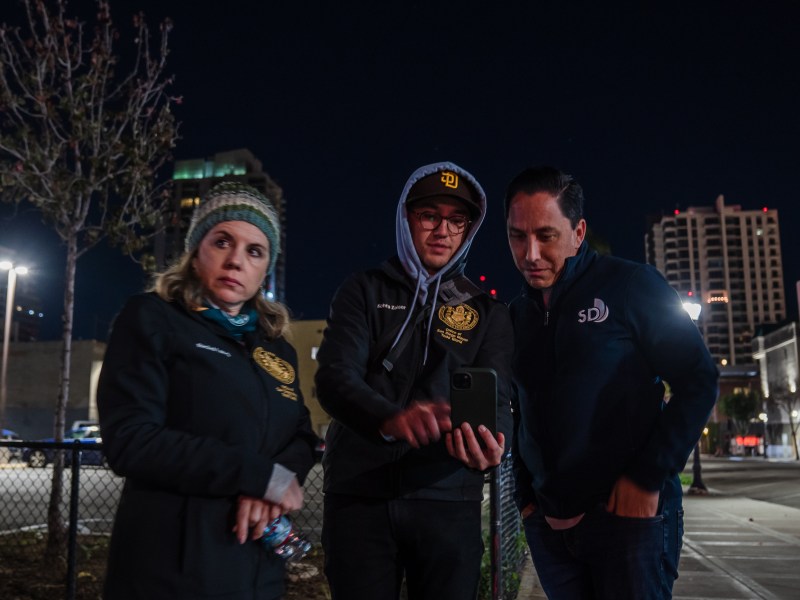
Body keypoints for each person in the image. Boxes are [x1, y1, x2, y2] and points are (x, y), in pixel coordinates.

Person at [505, 166, 719, 599]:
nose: (530, 253)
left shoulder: (630, 286)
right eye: (516, 235)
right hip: (549, 529)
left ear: (578, 231)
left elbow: (698, 378)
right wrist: (525, 494)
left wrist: (647, 477)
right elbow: (519, 408)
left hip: (629, 522)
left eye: (546, 235)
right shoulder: (516, 316)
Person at [97, 182, 318, 600]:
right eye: (222, 242)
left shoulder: (275, 345)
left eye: (255, 251)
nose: (236, 260)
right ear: (196, 251)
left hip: (257, 568)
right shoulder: (152, 319)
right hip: (172, 568)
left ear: (266, 267)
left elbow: (301, 434)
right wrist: (258, 476)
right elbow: (130, 439)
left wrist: (278, 482)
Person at [315, 162, 513, 600]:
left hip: (447, 498)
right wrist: (390, 419)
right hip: (359, 496)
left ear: (469, 229)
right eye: (429, 215)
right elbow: (332, 378)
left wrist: (495, 443)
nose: (443, 230)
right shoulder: (363, 290)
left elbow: (498, 399)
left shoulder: (486, 311)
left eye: (457, 220)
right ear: (406, 218)